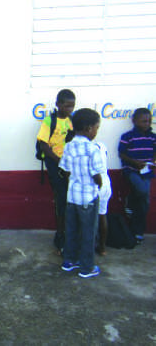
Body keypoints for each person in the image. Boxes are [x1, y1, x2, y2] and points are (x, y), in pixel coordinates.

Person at [59, 108, 105, 278]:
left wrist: (75, 181)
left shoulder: (69, 145)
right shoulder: (92, 149)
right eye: (96, 128)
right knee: (88, 233)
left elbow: (64, 170)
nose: (96, 132)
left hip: (72, 197)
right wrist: (98, 186)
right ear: (88, 129)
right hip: (88, 198)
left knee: (71, 230)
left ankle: (69, 261)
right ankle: (86, 268)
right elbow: (96, 174)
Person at [36, 89, 75, 253]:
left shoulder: (71, 120)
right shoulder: (49, 120)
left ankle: (68, 233)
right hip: (54, 163)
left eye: (72, 106)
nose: (69, 109)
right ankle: (60, 236)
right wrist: (60, 162)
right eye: (67, 106)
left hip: (68, 164)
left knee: (68, 199)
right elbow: (44, 145)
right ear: (58, 104)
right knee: (60, 199)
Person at [118, 107, 156, 244]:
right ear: (134, 121)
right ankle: (130, 199)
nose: (147, 124)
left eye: (149, 121)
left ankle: (138, 231)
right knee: (142, 191)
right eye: (144, 121)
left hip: (147, 171)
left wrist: (152, 161)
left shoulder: (152, 137)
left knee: (145, 201)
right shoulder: (127, 136)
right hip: (131, 170)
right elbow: (121, 153)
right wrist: (134, 162)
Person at [95, 141, 112, 255]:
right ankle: (102, 248)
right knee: (102, 214)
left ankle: (88, 248)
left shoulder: (86, 148)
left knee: (88, 219)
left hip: (97, 183)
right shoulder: (101, 145)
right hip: (106, 182)